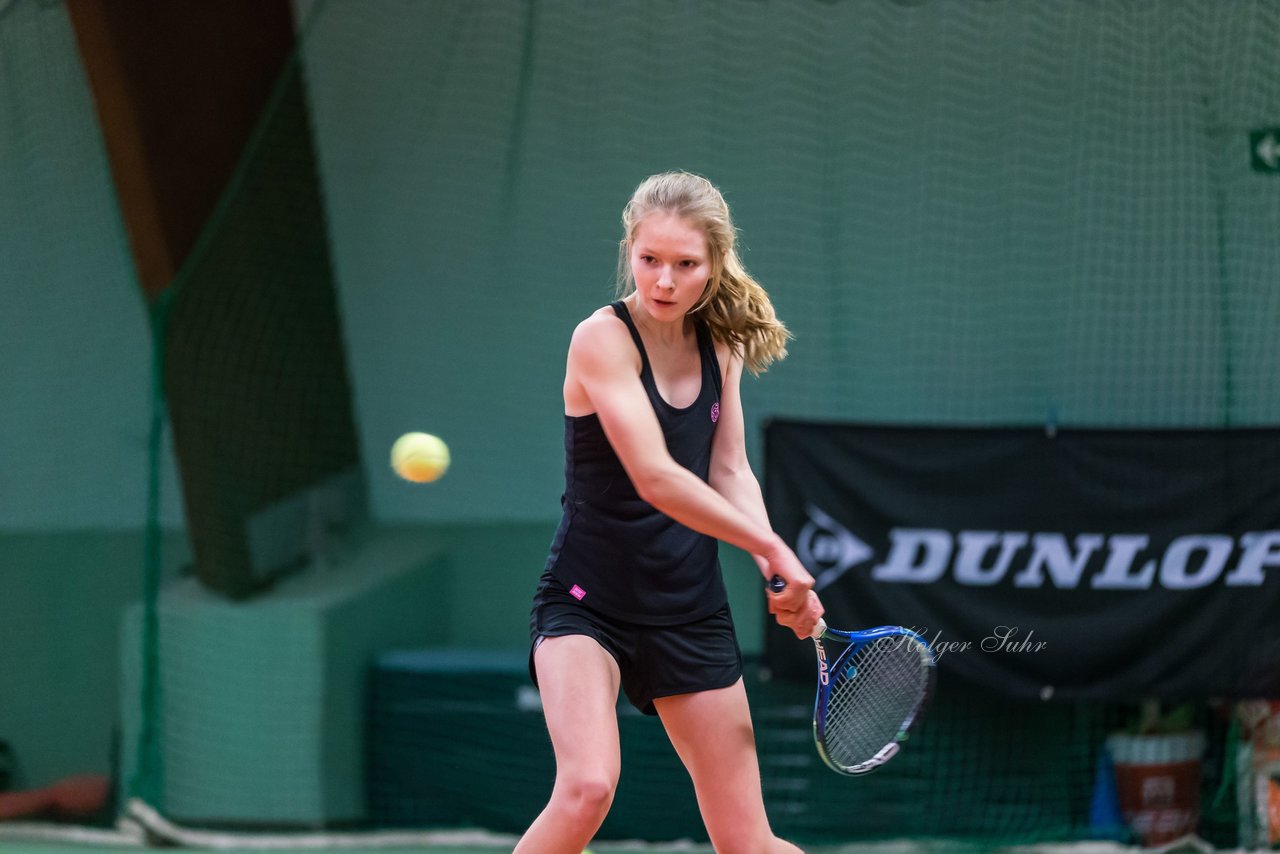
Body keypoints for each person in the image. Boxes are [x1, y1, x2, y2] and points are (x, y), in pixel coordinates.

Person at [516, 171, 824, 854]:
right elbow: (655, 476)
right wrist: (776, 552)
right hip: (585, 603)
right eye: (650, 259)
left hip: (689, 608)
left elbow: (728, 467)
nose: (663, 280)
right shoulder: (600, 340)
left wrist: (765, 550)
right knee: (587, 787)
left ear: (714, 264)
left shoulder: (722, 344)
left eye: (685, 264)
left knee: (751, 844)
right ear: (630, 249)